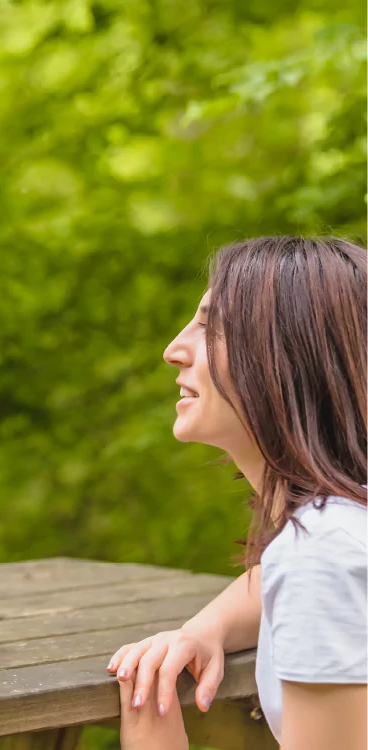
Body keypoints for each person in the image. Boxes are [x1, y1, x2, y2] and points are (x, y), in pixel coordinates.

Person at [107, 236, 367, 750]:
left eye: (210, 327)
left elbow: (321, 570)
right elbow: (286, 577)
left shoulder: (322, 553)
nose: (173, 350)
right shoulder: (341, 526)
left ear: (286, 357)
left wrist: (152, 741)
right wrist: (205, 630)